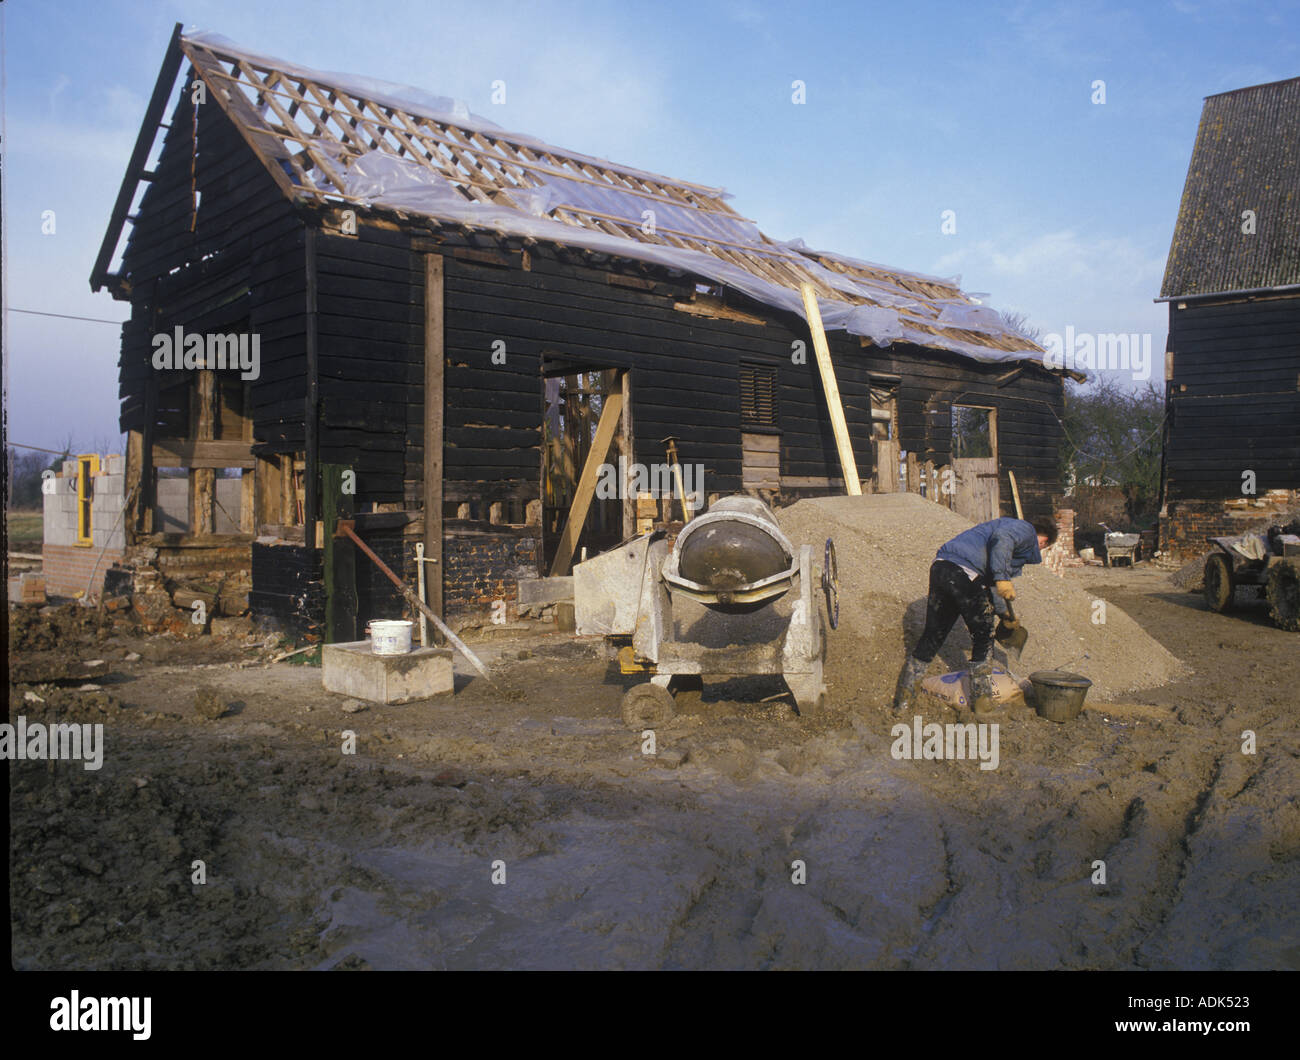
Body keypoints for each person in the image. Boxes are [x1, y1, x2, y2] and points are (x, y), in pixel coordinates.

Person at [893, 515, 1058, 715]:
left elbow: (991, 585)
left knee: (933, 635)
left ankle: (904, 701)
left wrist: (1004, 614)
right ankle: (982, 704)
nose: (1039, 548)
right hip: (964, 571)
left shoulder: (992, 547)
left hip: (942, 567)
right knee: (983, 635)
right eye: (1043, 545)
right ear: (1044, 539)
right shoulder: (1024, 529)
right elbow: (1002, 538)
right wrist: (1003, 578)